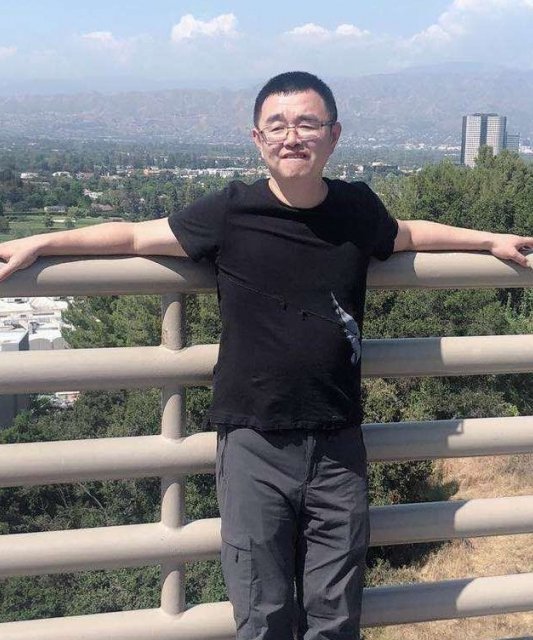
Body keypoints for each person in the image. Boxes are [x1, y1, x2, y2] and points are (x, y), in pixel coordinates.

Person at [0, 71, 532, 640]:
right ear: (258, 139)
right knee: (263, 612)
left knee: (336, 614)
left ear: (334, 135)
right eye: (276, 126)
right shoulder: (231, 211)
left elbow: (406, 235)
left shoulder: (356, 208)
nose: (291, 136)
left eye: (307, 123)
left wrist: (488, 241)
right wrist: (40, 242)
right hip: (253, 441)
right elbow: (133, 237)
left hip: (338, 441)